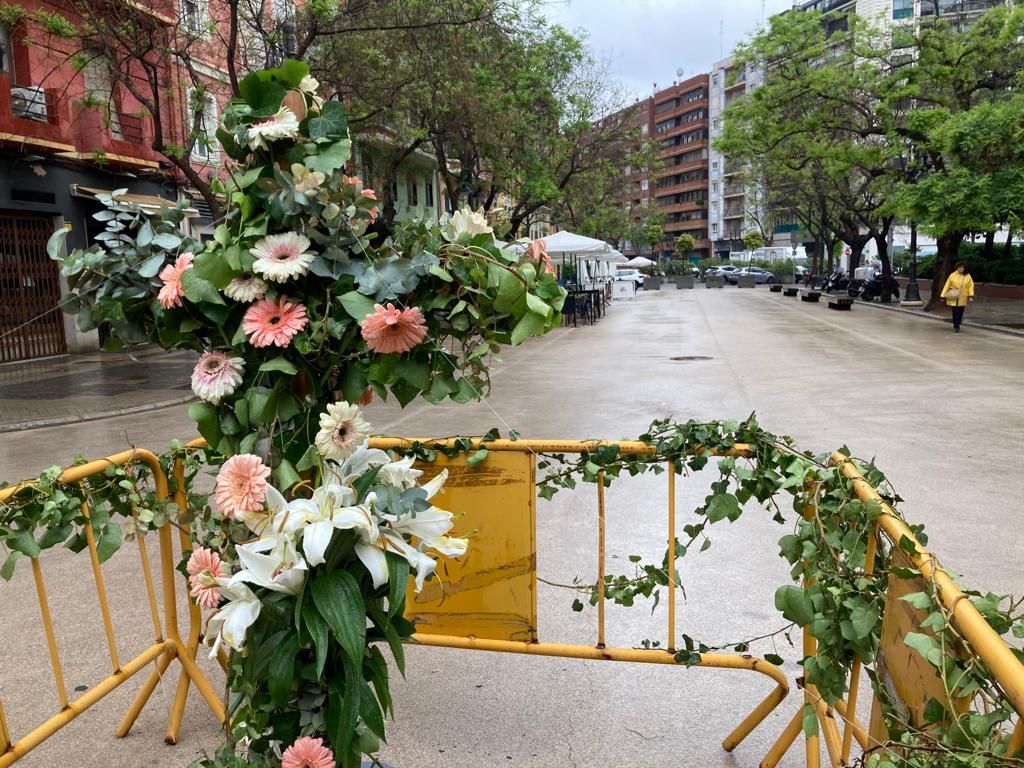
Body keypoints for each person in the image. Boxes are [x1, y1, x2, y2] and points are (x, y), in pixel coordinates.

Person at [940, 261, 975, 333]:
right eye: (960, 267)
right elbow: (947, 285)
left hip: (963, 296)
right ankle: (956, 326)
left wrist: (971, 295)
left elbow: (970, 286)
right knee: (955, 311)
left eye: (962, 267)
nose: (961, 269)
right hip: (954, 295)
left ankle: (958, 322)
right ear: (957, 268)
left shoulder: (968, 276)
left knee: (960, 311)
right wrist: (942, 295)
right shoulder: (952, 275)